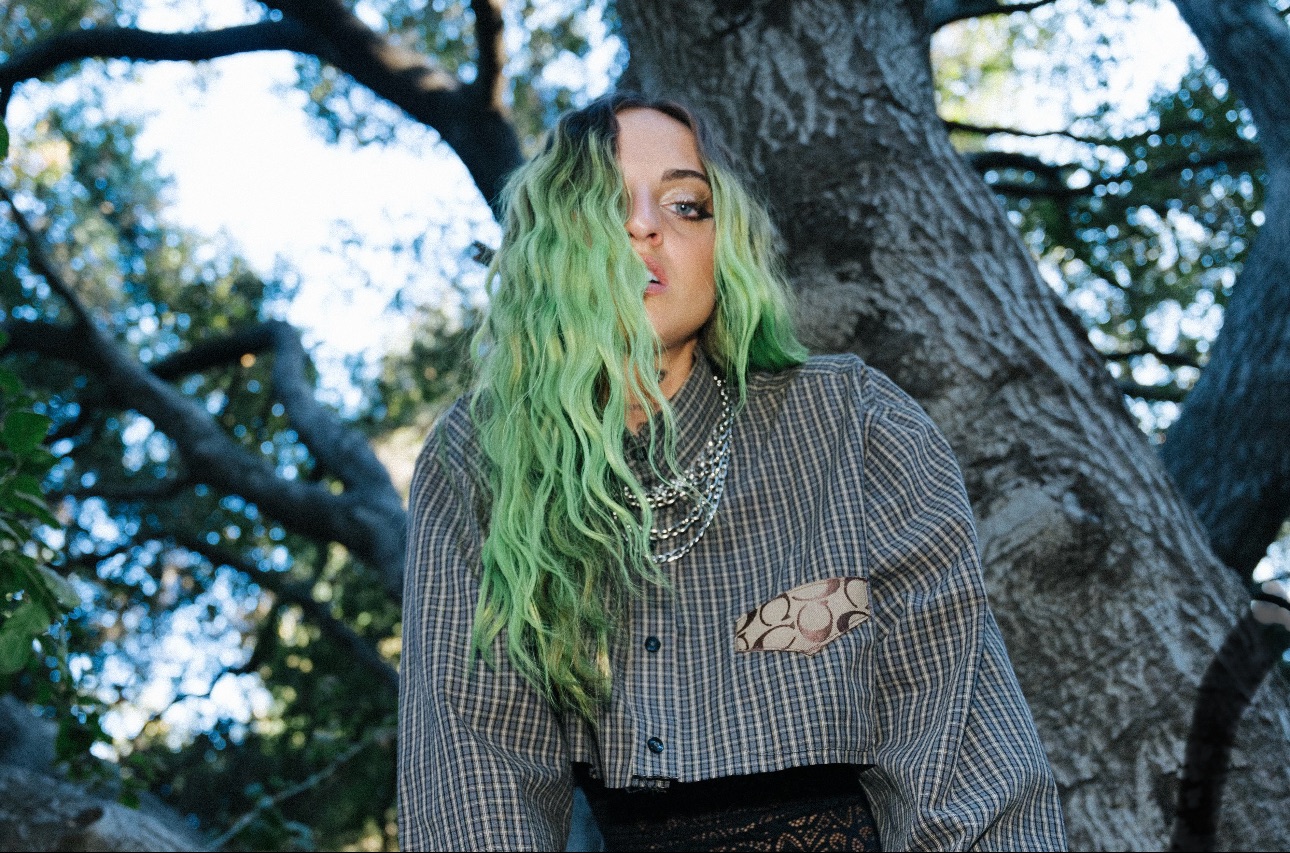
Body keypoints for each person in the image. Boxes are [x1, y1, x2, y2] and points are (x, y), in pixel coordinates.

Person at [397, 91, 1068, 852]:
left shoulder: (856, 425)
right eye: (606, 203)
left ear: (725, 247)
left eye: (686, 206)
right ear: (550, 244)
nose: (645, 226)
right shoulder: (477, 461)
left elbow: (967, 767)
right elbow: (472, 777)